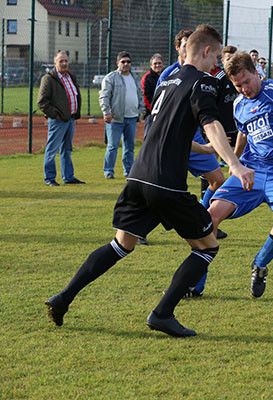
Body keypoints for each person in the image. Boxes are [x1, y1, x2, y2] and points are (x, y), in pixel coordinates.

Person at [45, 25, 254, 338]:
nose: (217, 67)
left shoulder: (168, 80)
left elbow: (167, 131)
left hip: (139, 176)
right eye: (216, 57)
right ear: (208, 51)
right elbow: (210, 123)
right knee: (207, 246)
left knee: (121, 244)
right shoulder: (204, 82)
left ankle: (63, 297)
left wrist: (204, 149)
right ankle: (162, 313)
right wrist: (234, 164)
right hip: (166, 183)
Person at [207, 51, 273, 298]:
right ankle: (196, 283)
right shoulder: (238, 105)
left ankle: (260, 264)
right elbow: (244, 134)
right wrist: (233, 162)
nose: (244, 89)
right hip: (251, 171)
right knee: (210, 217)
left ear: (256, 73)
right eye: (238, 86)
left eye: (247, 82)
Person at [157, 28, 228, 247]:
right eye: (185, 43)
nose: (189, 46)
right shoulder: (169, 74)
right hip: (172, 139)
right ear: (178, 48)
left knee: (218, 180)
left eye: (192, 42)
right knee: (164, 190)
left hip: (194, 135)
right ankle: (140, 229)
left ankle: (204, 216)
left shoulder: (203, 76)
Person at [37, 51, 85, 186]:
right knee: (52, 150)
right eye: (61, 61)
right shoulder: (49, 79)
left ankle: (68, 177)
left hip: (70, 119)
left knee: (67, 150)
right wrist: (55, 115)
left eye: (65, 61)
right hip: (58, 121)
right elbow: (42, 102)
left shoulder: (71, 76)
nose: (64, 63)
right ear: (55, 63)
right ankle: (50, 178)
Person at [100, 51, 145, 179]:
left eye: (128, 62)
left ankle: (129, 171)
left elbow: (140, 95)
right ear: (117, 63)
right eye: (123, 62)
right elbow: (104, 96)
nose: (126, 64)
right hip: (116, 118)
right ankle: (108, 171)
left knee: (129, 147)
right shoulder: (110, 77)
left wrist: (140, 111)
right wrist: (106, 112)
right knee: (113, 146)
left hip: (131, 117)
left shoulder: (135, 78)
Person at [141, 53, 164, 138]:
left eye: (159, 63)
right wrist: (154, 110)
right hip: (151, 113)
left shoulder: (167, 75)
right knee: (149, 138)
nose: (157, 65)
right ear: (151, 65)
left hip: (165, 113)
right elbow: (145, 97)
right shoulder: (147, 78)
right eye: (155, 63)